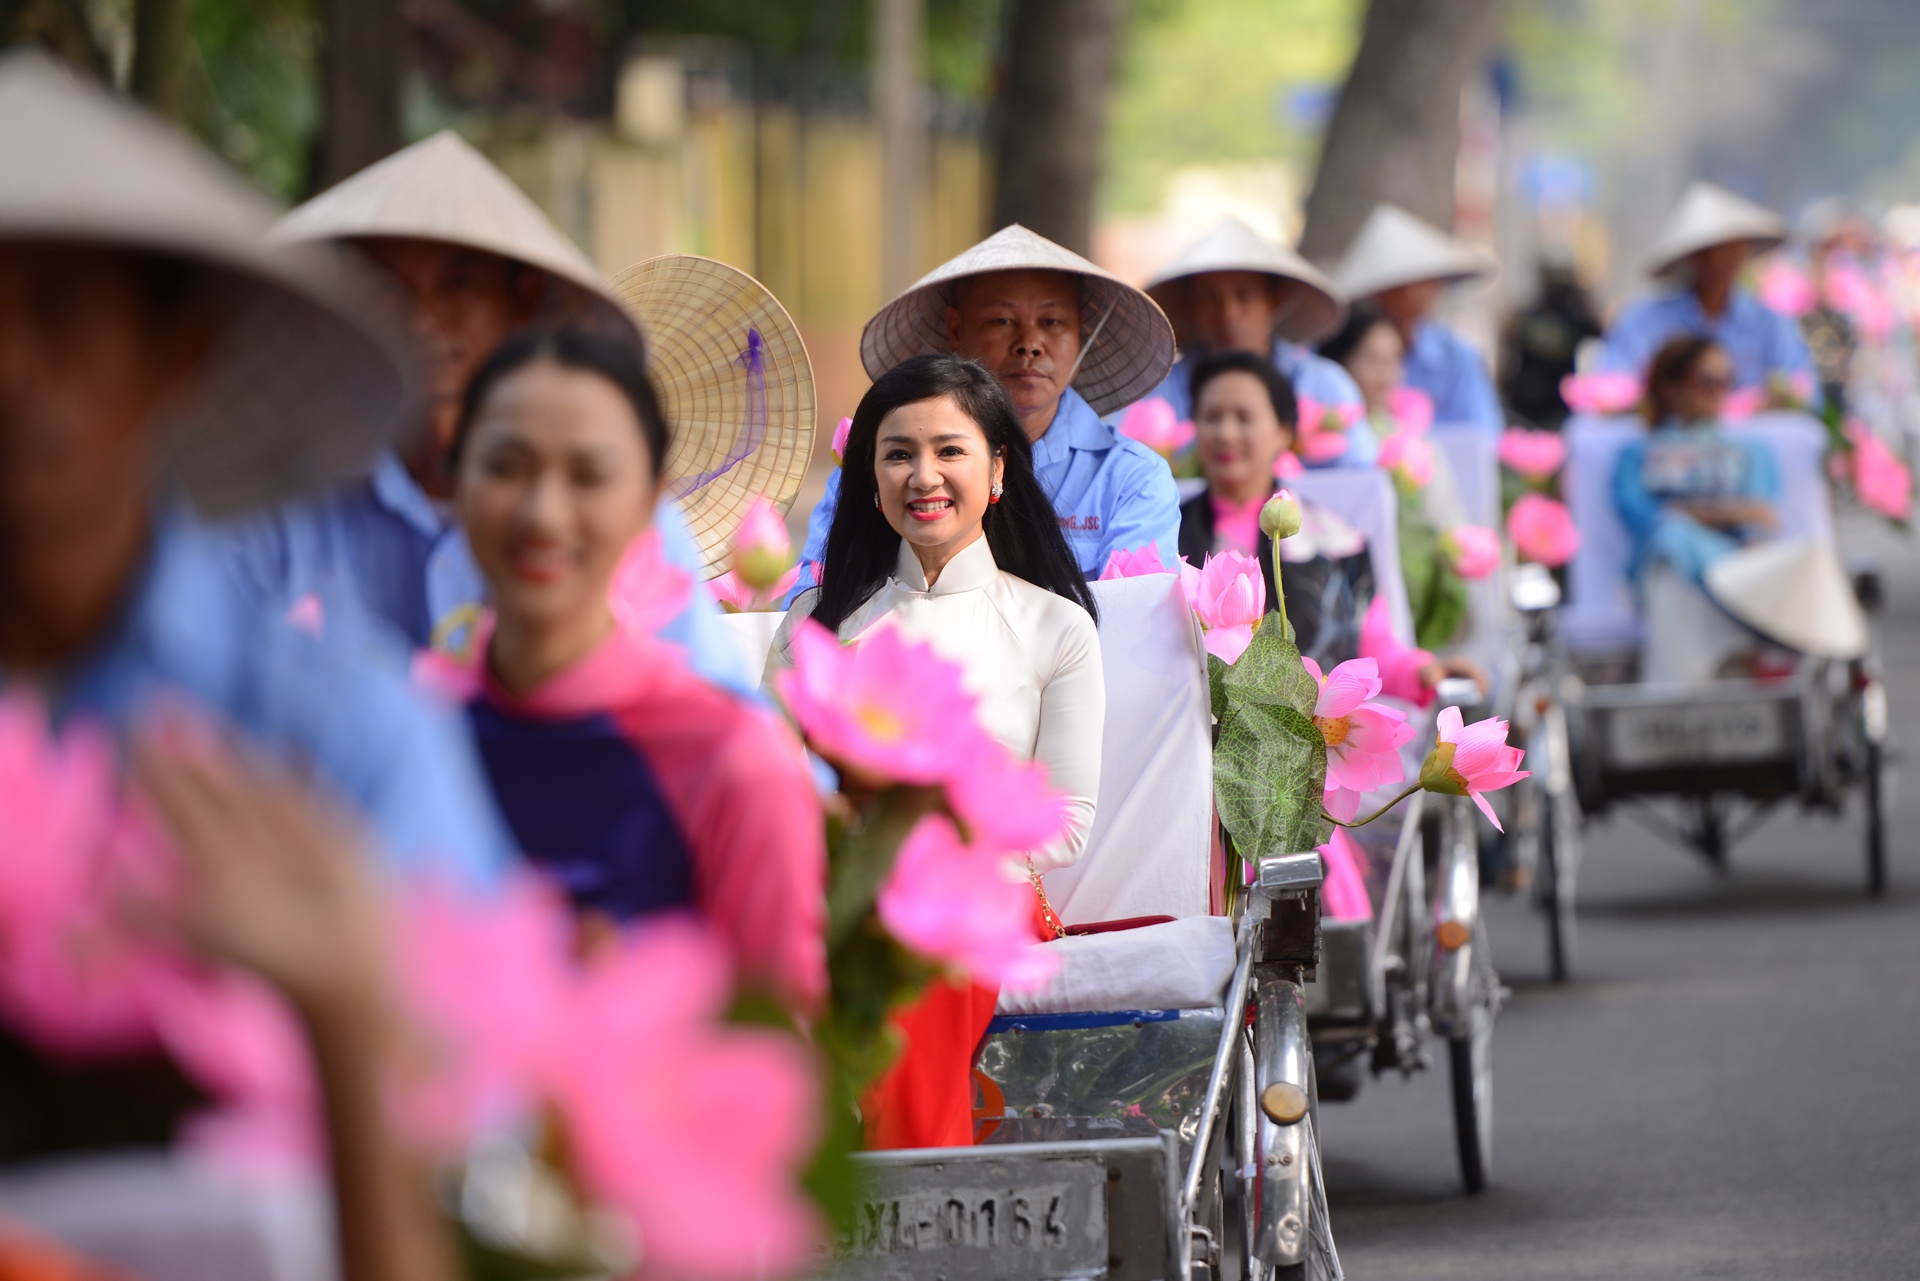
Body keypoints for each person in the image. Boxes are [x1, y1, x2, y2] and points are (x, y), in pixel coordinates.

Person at [0, 51, 501, 1278]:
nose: (7, 367)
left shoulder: (340, 740)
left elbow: (477, 1182)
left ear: (176, 357)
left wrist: (341, 1007)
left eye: (58, 312)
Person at [226, 131, 757, 694]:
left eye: (458, 284)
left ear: (522, 303)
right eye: (384, 290)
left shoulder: (606, 499)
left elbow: (721, 703)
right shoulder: (286, 490)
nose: (422, 320)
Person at [771, 354, 1104, 1149]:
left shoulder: (1058, 627)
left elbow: (1065, 823)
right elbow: (773, 789)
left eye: (949, 449)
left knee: (910, 940)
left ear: (997, 470)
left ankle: (909, 1197)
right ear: (870, 478)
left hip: (982, 897)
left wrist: (930, 837)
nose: (924, 474)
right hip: (836, 892)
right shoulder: (817, 626)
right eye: (897, 452)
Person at [444, 327, 827, 1009]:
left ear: (653, 501)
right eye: (506, 466)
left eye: (589, 475)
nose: (542, 513)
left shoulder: (735, 760)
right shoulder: (405, 732)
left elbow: (776, 1064)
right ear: (453, 481)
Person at [793, 225, 1180, 590]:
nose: (1030, 343)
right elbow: (813, 605)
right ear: (957, 329)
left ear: (1081, 334)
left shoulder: (1132, 478)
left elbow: (1132, 625)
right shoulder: (880, 470)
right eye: (1002, 320)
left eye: (1052, 321)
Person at [1175, 352, 1373, 664]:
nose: (1226, 433)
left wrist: (1422, 672)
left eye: (1244, 417)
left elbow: (1374, 641)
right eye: (1212, 417)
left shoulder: (1337, 541)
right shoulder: (1166, 533)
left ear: (1283, 432)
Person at [1140, 217, 1375, 464]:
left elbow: (1358, 477)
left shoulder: (1324, 387)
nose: (1228, 314)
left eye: (1245, 296)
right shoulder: (1158, 395)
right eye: (1210, 298)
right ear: (1190, 306)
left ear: (1275, 299)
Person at [1614, 337, 1780, 684]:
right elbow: (1644, 520)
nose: (1719, 391)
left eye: (1726, 380)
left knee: (1674, 542)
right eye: (1707, 381)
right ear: (1670, 387)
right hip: (1664, 561)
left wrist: (1690, 513)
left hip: (1736, 567)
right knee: (1670, 551)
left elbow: (1761, 514)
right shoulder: (1637, 453)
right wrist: (1725, 513)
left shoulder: (1750, 451)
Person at [1602, 182, 1817, 403]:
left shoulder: (1770, 324)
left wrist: (1762, 405)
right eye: (1712, 249)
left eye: (1733, 246)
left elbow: (1802, 393)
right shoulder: (1644, 318)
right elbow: (1611, 385)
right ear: (1692, 255)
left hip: (1747, 434)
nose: (1723, 258)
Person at [1332, 203, 1504, 437]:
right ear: (1381, 290)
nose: (1425, 292)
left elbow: (1484, 433)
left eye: (1431, 280)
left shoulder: (1457, 355)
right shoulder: (1340, 347)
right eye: (1411, 283)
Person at [1500, 254, 1604, 429]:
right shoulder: (1526, 315)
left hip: (1559, 406)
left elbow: (1603, 337)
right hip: (1522, 401)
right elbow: (1508, 352)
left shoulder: (1576, 318)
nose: (1555, 284)